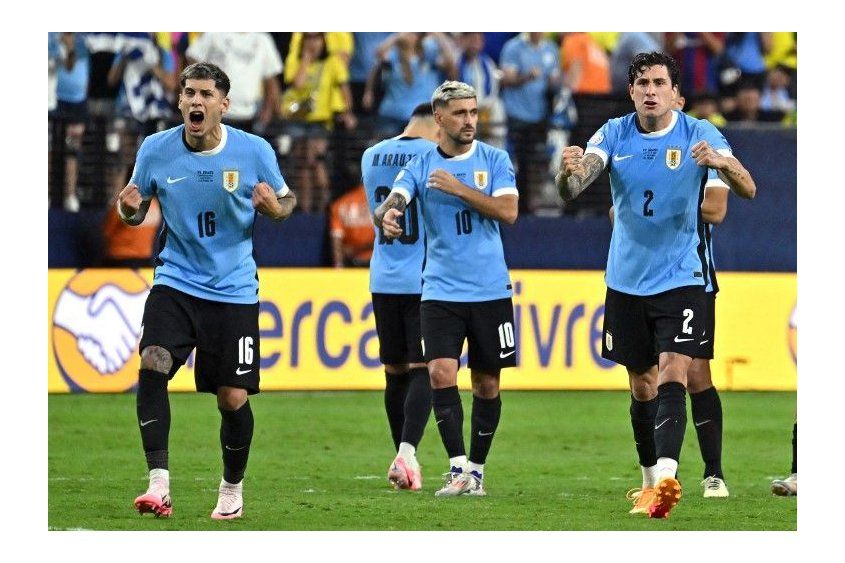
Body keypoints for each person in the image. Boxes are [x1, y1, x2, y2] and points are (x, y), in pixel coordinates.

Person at [556, 52, 756, 518]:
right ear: (631, 91)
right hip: (626, 280)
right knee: (641, 383)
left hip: (682, 277)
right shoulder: (613, 133)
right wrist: (567, 173)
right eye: (642, 82)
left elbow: (748, 188)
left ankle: (669, 475)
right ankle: (649, 480)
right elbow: (573, 188)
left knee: (676, 371)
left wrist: (721, 164)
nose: (651, 90)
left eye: (659, 83)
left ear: (674, 92)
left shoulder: (699, 133)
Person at [117, 62, 297, 520]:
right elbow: (134, 209)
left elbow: (287, 201)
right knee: (153, 362)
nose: (196, 101)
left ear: (224, 104)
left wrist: (274, 208)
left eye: (206, 94)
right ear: (180, 101)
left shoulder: (253, 150)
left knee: (232, 397)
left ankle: (231, 489)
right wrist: (128, 210)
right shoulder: (155, 148)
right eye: (189, 93)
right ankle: (158, 483)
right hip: (176, 281)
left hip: (233, 291)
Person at [374, 81, 519, 497]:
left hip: (490, 289)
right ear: (439, 118)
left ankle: (477, 471)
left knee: (486, 384)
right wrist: (387, 215)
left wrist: (459, 189)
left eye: (473, 112)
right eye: (460, 113)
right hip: (439, 289)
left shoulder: (494, 159)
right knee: (439, 372)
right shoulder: (421, 163)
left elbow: (508, 211)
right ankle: (457, 468)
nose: (470, 120)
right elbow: (393, 199)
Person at [611, 91, 734, 503]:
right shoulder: (637, 150)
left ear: (678, 100)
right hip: (641, 278)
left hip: (692, 276)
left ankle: (712, 473)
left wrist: (659, 205)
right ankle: (658, 478)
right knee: (646, 378)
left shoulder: (704, 146)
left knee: (693, 374)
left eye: (667, 91)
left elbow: (716, 210)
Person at [361, 103, 439, 490]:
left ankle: (403, 460)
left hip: (383, 275)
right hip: (423, 277)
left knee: (394, 372)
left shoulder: (370, 155)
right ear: (437, 124)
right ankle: (407, 454)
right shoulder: (433, 156)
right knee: (424, 369)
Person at [329, 182, 375, 268]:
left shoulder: (339, 204)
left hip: (359, 262)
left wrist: (339, 266)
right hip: (373, 263)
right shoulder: (381, 202)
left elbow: (337, 244)